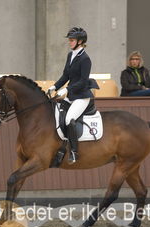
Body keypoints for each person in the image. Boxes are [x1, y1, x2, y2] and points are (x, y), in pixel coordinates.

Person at [47, 27, 95, 165]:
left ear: (80, 41)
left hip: (81, 96)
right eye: (69, 40)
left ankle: (74, 151)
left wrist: (66, 89)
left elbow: (83, 81)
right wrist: (55, 86)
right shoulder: (70, 55)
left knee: (69, 119)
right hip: (71, 94)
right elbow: (66, 75)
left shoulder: (86, 59)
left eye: (72, 40)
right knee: (56, 114)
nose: (69, 42)